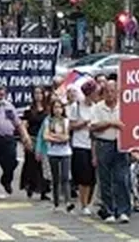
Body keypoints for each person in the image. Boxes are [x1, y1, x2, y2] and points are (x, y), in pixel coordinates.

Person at [89, 78, 130, 223]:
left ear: (117, 92)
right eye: (107, 91)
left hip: (120, 145)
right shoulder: (97, 108)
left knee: (121, 178)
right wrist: (110, 123)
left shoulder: (124, 107)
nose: (110, 94)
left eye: (112, 91)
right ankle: (108, 211)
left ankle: (123, 210)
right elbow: (93, 127)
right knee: (105, 179)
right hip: (103, 144)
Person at [67, 79, 97, 215]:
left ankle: (88, 202)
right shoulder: (77, 106)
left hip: (93, 144)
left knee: (92, 177)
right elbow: (71, 126)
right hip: (80, 144)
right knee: (84, 176)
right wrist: (84, 123)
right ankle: (84, 204)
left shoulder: (96, 107)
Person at [44, 97, 74, 212]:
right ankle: (56, 203)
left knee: (65, 177)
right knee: (55, 178)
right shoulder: (48, 121)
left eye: (60, 107)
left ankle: (68, 201)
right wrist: (57, 138)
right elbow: (46, 136)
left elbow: (66, 137)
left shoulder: (66, 121)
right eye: (55, 107)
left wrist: (54, 136)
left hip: (65, 152)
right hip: (53, 152)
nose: (57, 110)